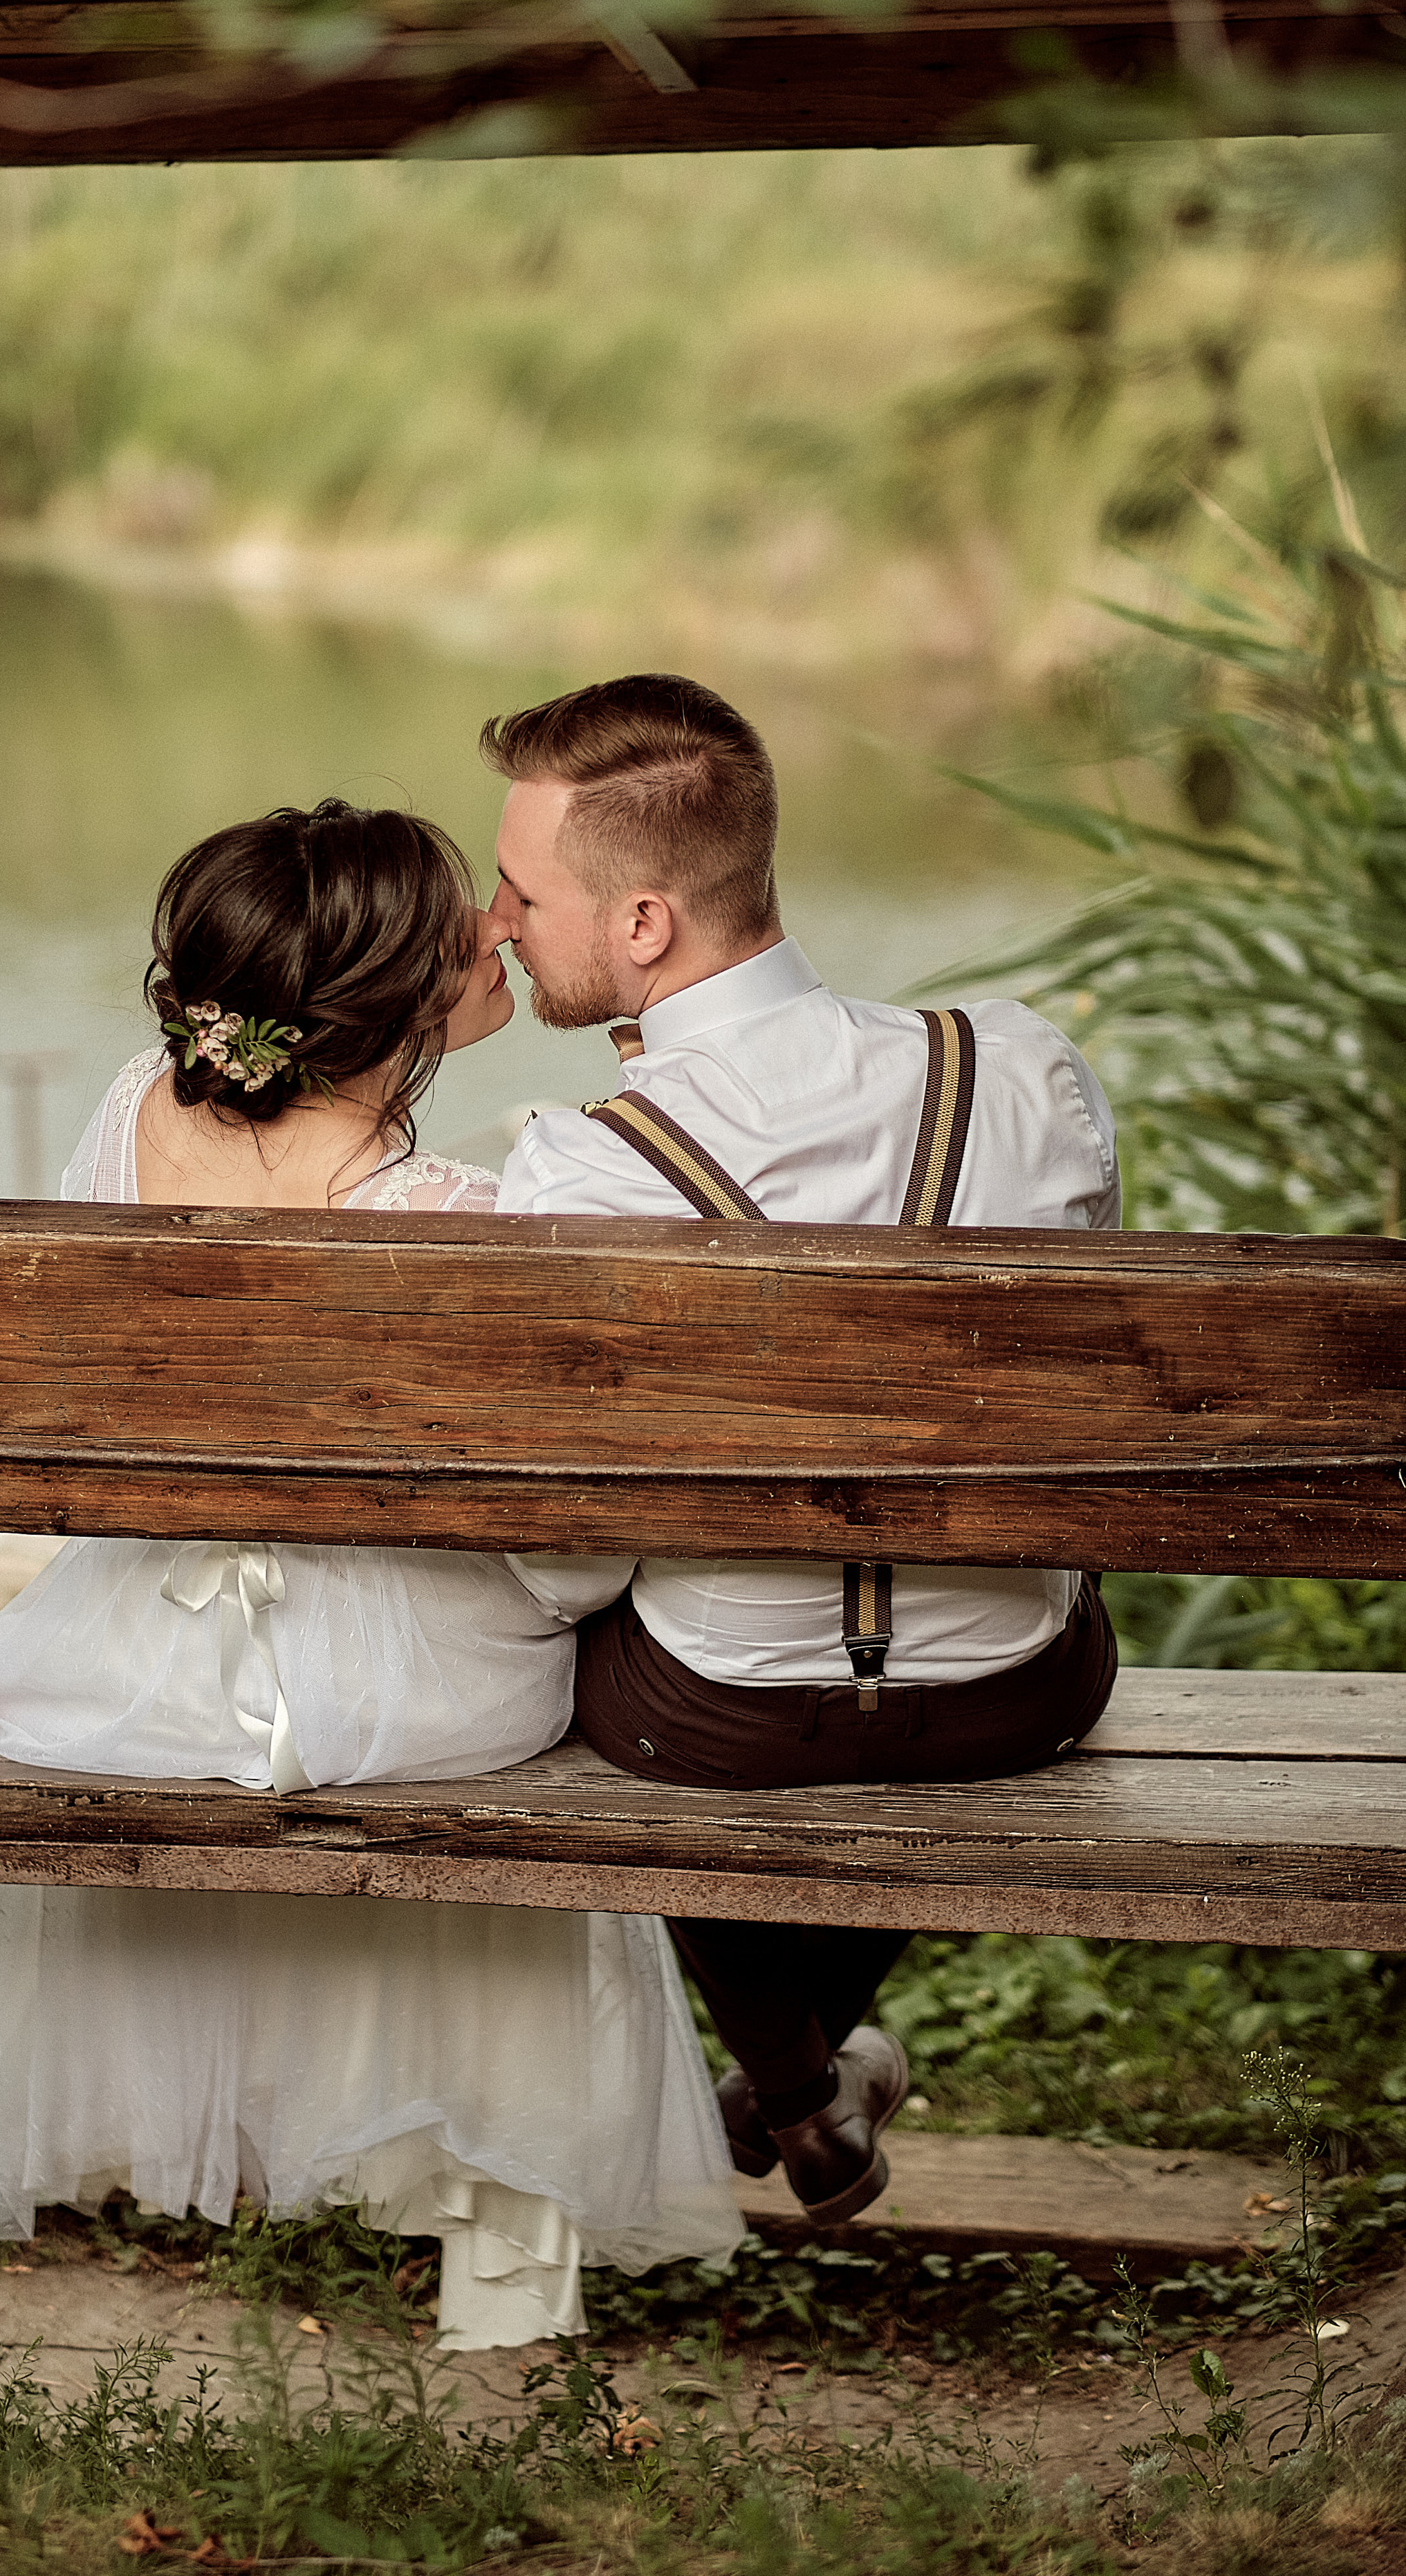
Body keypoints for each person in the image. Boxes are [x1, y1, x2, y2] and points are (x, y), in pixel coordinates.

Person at [0, 798, 742, 2350]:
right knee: (541, 1687)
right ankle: (502, 2273)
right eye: (457, 923)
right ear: (394, 1010)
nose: (493, 927)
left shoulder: (138, 1105)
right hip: (405, 1708)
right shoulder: (470, 1220)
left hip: (128, 1679)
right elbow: (569, 1549)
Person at [485, 676, 1121, 2229]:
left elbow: (560, 1548)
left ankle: (794, 2089)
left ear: (642, 924)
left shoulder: (581, 1164)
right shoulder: (1017, 1067)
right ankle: (800, 2089)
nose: (496, 923)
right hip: (1016, 1693)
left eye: (520, 894)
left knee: (595, 1650)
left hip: (708, 1721)